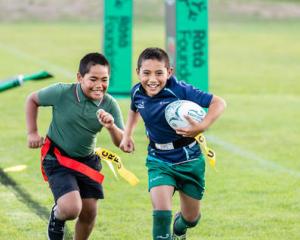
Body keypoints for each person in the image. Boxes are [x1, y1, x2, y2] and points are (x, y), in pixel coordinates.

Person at [120, 47, 226, 240]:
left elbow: (219, 103)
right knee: (161, 212)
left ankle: (180, 227)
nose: (152, 79)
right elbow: (134, 110)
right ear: (138, 73)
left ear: (169, 72)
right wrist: (127, 135)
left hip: (189, 160)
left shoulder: (180, 90)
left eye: (159, 73)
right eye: (146, 73)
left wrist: (201, 126)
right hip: (158, 160)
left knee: (191, 218)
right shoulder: (136, 91)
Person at [26, 52, 124, 240]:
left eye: (104, 79)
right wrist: (32, 132)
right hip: (58, 158)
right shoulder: (62, 92)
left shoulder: (110, 104)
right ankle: (58, 214)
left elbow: (124, 144)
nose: (99, 85)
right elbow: (32, 99)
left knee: (89, 213)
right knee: (71, 209)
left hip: (87, 161)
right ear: (80, 77)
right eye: (93, 79)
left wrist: (111, 127)